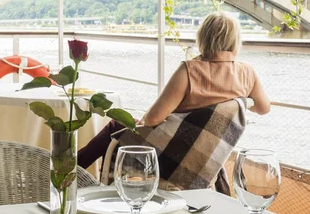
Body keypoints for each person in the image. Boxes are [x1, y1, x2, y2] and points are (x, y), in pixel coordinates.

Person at [78, 11, 271, 169]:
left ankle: (69, 173)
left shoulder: (190, 70)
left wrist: (141, 123)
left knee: (116, 125)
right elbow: (264, 108)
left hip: (171, 153)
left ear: (203, 37)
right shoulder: (247, 73)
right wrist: (242, 104)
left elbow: (153, 119)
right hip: (205, 160)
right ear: (235, 40)